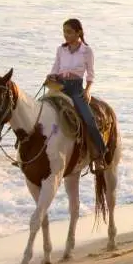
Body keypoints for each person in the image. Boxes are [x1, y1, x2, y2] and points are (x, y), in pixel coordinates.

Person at [46, 18, 107, 172]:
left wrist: (87, 90)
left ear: (78, 32)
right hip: (59, 86)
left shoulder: (87, 51)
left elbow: (91, 74)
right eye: (64, 32)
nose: (66, 35)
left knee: (89, 119)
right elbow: (55, 68)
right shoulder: (61, 49)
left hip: (75, 88)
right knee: (39, 111)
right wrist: (51, 76)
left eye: (69, 32)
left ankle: (100, 155)